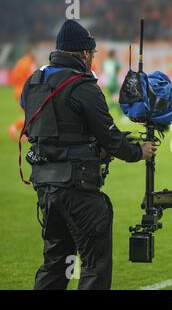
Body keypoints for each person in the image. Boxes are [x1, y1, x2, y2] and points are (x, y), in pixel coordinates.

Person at [20, 20, 156, 290]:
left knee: (56, 262)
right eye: (92, 54)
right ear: (83, 53)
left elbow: (50, 127)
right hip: (78, 188)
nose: (93, 59)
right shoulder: (83, 85)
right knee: (95, 265)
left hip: (46, 186)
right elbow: (109, 136)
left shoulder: (33, 81)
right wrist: (138, 152)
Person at [9, 47, 36, 141]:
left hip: (17, 89)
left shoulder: (20, 62)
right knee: (31, 113)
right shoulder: (30, 62)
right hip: (25, 90)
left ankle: (24, 134)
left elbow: (13, 76)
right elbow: (33, 76)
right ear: (30, 52)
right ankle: (14, 128)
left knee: (27, 112)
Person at [102, 49, 123, 118]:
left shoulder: (105, 62)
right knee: (117, 100)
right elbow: (118, 72)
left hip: (108, 84)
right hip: (114, 83)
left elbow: (104, 72)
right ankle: (105, 110)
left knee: (115, 100)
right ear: (113, 55)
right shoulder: (115, 63)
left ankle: (105, 110)